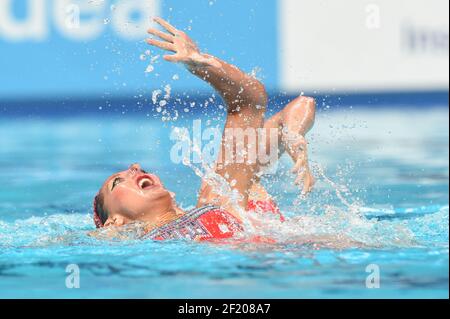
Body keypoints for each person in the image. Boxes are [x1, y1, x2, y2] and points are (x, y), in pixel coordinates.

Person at [93, 17, 316, 241]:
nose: (135, 166)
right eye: (117, 182)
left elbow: (253, 100)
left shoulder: (218, 196)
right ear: (115, 222)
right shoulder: (147, 246)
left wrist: (198, 63)